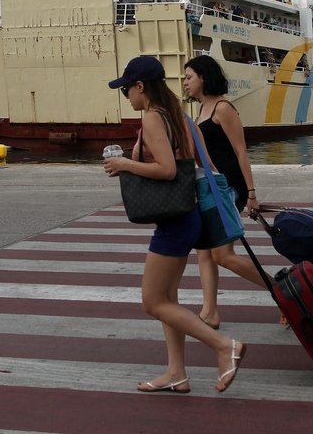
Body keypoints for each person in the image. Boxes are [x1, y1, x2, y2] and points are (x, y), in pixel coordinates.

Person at [103, 55, 248, 393]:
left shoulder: (154, 117)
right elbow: (204, 165)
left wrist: (125, 163)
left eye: (126, 90)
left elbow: (168, 170)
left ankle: (224, 346)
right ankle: (176, 373)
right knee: (168, 298)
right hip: (189, 215)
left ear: (140, 87)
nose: (127, 97)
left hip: (174, 221)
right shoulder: (180, 116)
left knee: (152, 301)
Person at [182, 55, 280, 329]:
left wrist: (251, 193)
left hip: (228, 187)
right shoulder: (201, 109)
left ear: (204, 77)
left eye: (189, 76)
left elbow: (240, 151)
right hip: (208, 186)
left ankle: (281, 292)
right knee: (204, 252)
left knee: (223, 255)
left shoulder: (223, 108)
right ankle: (209, 312)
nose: (185, 82)